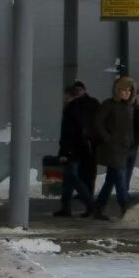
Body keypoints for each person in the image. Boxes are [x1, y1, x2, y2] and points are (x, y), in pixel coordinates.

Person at [90, 75, 139, 220]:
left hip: (126, 147)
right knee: (120, 178)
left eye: (129, 91)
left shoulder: (129, 107)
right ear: (118, 91)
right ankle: (124, 206)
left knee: (111, 179)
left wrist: (132, 142)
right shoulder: (109, 105)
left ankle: (98, 206)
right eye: (124, 90)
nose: (127, 93)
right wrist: (108, 139)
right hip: (113, 149)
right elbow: (98, 123)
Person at [55, 81, 100, 218]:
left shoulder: (71, 109)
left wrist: (64, 151)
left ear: (69, 95)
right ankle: (66, 207)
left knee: (72, 178)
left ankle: (91, 205)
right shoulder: (94, 104)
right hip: (89, 147)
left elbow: (67, 132)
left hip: (73, 149)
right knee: (76, 178)